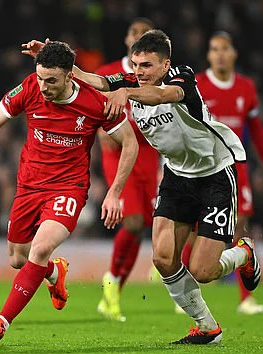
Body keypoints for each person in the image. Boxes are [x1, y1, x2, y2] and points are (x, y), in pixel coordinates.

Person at [22, 30, 260, 345]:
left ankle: (244, 253)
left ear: (165, 65)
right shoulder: (134, 81)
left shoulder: (182, 79)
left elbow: (164, 96)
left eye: (147, 65)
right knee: (163, 259)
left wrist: (128, 94)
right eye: (135, 65)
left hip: (213, 175)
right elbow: (95, 80)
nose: (139, 72)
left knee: (203, 270)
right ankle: (207, 328)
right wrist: (53, 55)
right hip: (177, 177)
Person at [0, 41, 138, 345]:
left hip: (68, 189)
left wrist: (115, 191)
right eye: (40, 78)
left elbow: (130, 143)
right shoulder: (29, 89)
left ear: (69, 76)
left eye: (52, 81)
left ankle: (2, 321)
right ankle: (54, 273)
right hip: (29, 186)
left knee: (39, 249)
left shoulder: (95, 102)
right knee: (17, 258)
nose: (44, 87)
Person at [177, 31, 263, 315]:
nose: (220, 54)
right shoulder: (195, 84)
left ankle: (244, 298)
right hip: (201, 166)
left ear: (234, 53)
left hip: (236, 167)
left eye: (225, 48)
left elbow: (258, 133)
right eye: (214, 49)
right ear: (209, 55)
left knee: (240, 227)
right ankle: (189, 293)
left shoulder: (246, 88)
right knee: (191, 230)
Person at [94, 17, 159, 322]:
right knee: (132, 221)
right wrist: (99, 131)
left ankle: (113, 292)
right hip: (119, 153)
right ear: (126, 39)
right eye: (135, 33)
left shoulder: (156, 76)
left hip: (149, 153)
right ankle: (111, 278)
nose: (138, 37)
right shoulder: (109, 73)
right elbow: (90, 104)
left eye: (144, 34)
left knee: (142, 225)